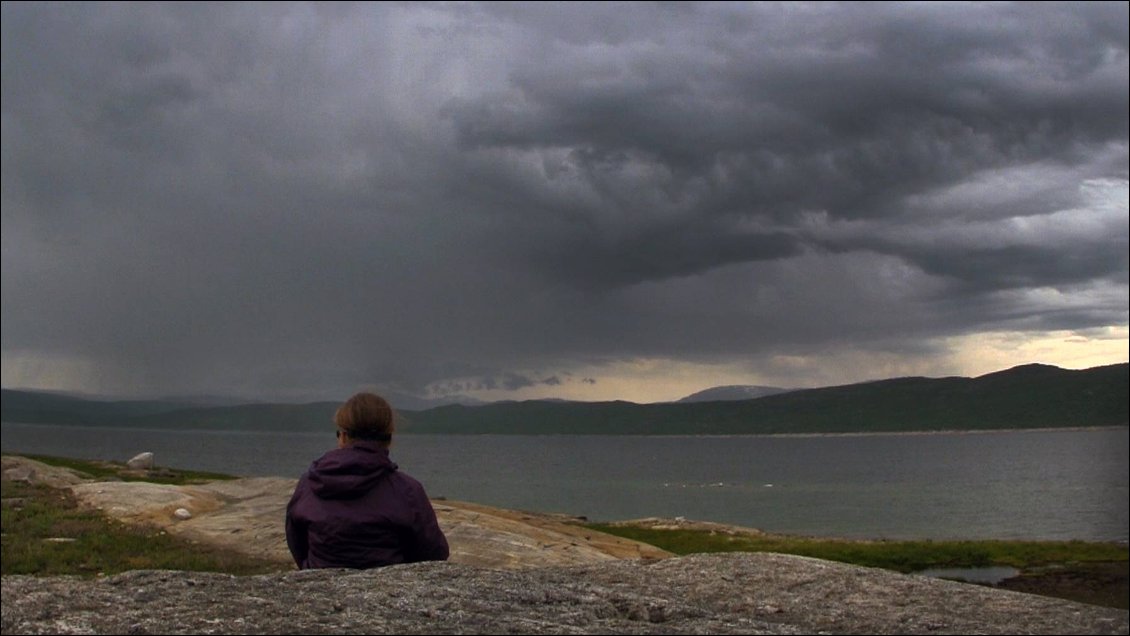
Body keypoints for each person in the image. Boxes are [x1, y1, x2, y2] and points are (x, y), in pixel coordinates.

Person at [285, 392, 449, 569]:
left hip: (319, 588)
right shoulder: (407, 490)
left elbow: (297, 543)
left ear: (343, 436)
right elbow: (434, 553)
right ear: (389, 438)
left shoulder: (309, 483)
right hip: (388, 591)